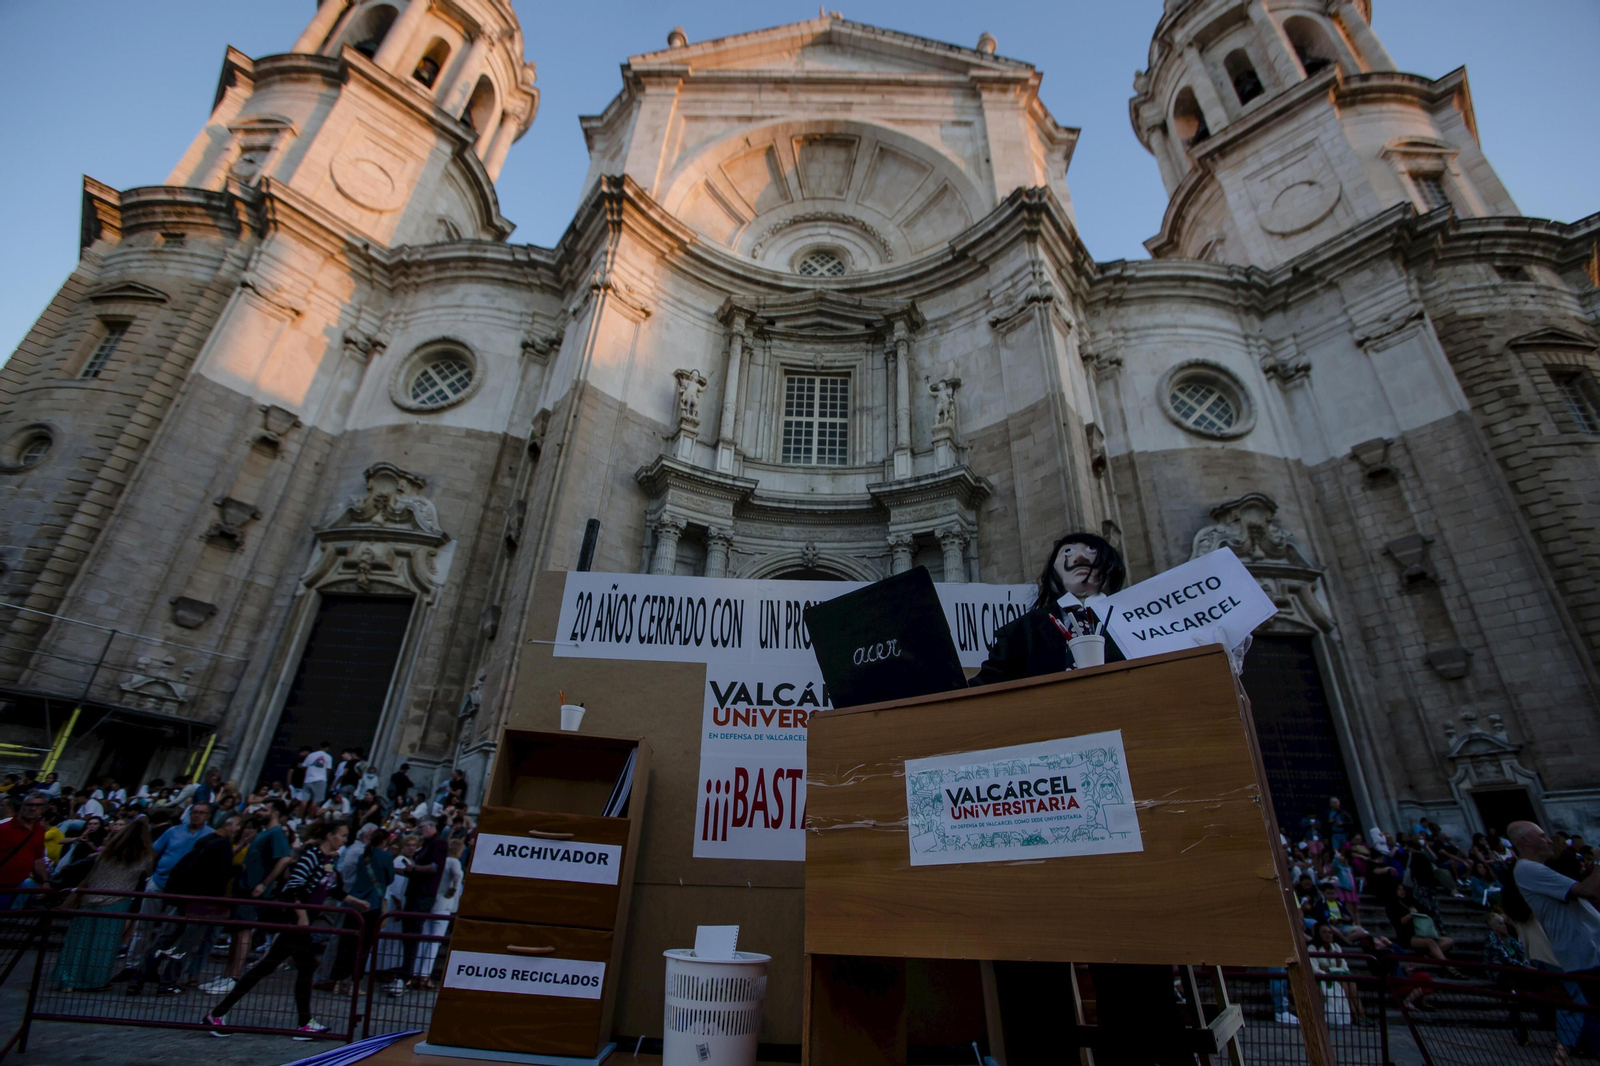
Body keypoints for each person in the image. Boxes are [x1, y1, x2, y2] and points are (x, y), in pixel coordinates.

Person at [205, 819, 367, 1039]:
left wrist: (357, 902)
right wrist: (301, 916)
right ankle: (303, 1023)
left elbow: (333, 890)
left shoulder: (326, 860)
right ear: (330, 836)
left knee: (272, 967)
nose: (344, 840)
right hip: (296, 921)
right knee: (301, 967)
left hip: (303, 921)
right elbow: (294, 887)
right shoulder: (311, 856)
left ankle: (219, 1013)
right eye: (341, 835)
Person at [973, 532, 1127, 685]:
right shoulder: (1018, 633)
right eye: (1068, 551)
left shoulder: (1136, 617)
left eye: (1091, 550)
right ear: (1054, 568)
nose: (1080, 557)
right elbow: (982, 689)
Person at [413, 838, 463, 987]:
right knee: (435, 941)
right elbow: (458, 875)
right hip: (444, 904)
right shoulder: (454, 862)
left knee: (424, 939)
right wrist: (453, 888)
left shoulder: (441, 862)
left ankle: (416, 972)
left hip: (432, 902)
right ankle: (425, 974)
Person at [0, 793, 53, 907]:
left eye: (38, 805)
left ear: (43, 809)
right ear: (22, 806)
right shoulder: (3, 828)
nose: (33, 808)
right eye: (29, 804)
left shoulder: (39, 831)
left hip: (20, 886)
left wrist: (45, 881)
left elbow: (38, 858)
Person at [1385, 883, 1454, 961]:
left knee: (1448, 941)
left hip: (1422, 932)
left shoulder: (1412, 903)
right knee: (1430, 942)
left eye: (1403, 889)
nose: (1402, 891)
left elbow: (1427, 912)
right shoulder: (1392, 906)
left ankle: (1430, 956)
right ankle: (1447, 965)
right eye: (1399, 889)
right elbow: (1398, 923)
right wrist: (1411, 914)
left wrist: (1416, 910)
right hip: (1407, 936)